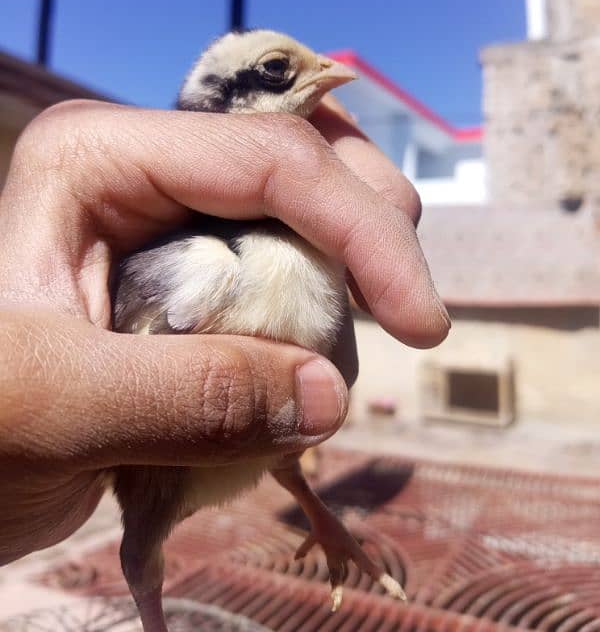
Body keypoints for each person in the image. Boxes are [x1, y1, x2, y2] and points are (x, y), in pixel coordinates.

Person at [0, 96, 450, 566]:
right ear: (223, 99)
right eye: (278, 71)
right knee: (142, 548)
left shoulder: (314, 263)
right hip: (162, 476)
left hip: (268, 450)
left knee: (281, 455)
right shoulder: (201, 265)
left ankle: (317, 514)